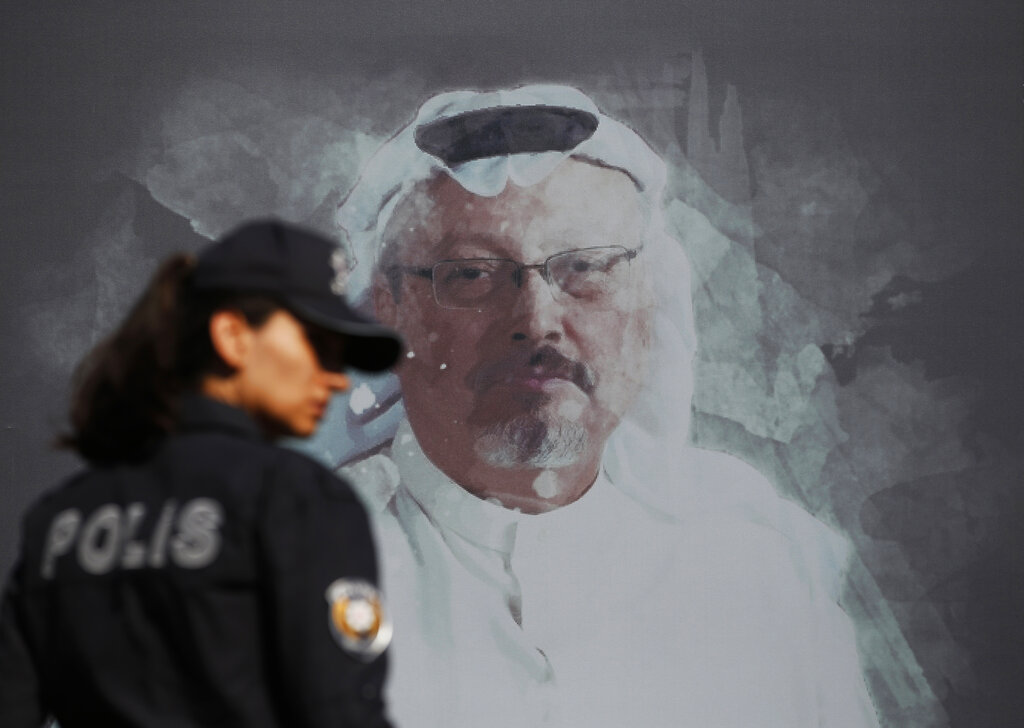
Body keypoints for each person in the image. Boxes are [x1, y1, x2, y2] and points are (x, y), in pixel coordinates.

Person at [333, 86, 882, 727]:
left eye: (586, 267)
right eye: (473, 274)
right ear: (391, 311)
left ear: (648, 306)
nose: (537, 321)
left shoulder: (757, 576)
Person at [0, 219, 401, 727]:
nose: (336, 375)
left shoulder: (58, 521)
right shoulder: (295, 497)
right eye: (316, 344)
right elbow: (342, 715)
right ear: (233, 336)